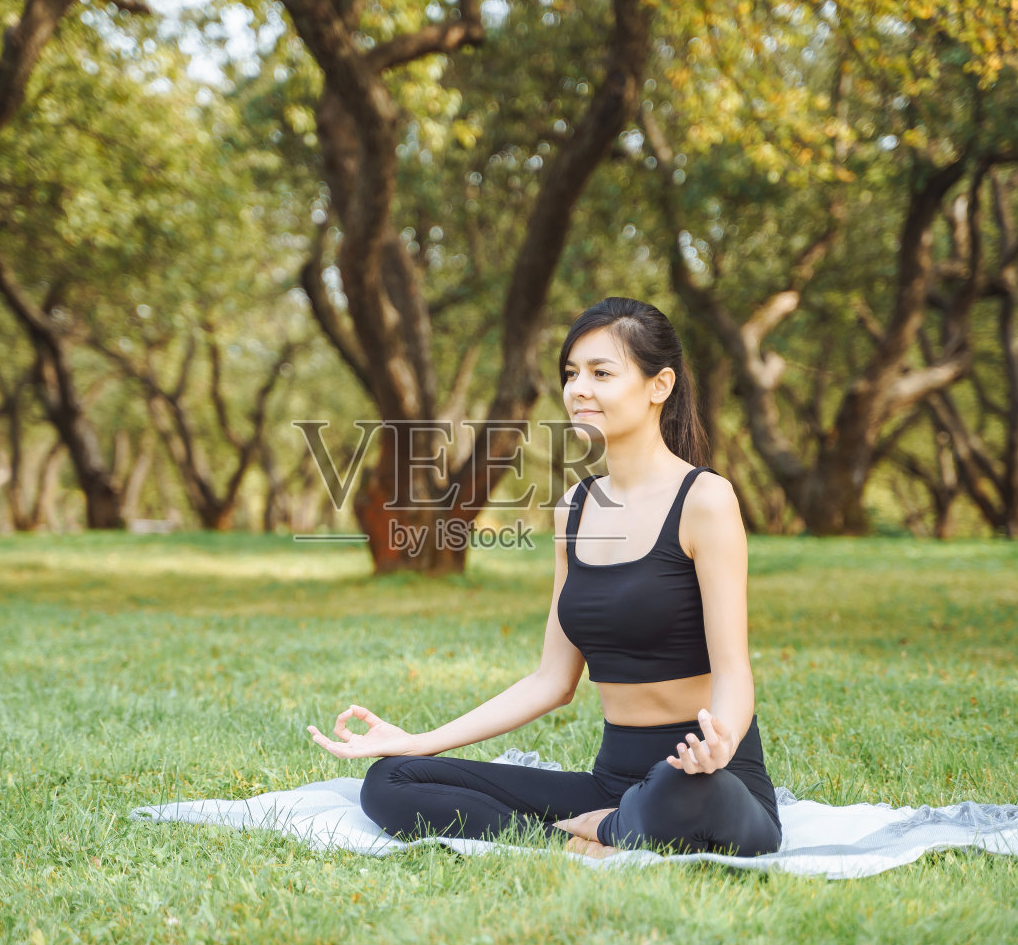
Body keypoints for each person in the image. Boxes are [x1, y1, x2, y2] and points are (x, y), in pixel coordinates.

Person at [306, 297, 782, 859]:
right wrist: (416, 742)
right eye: (571, 373)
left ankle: (609, 826)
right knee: (392, 782)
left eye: (602, 373)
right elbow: (551, 682)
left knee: (682, 792)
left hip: (702, 776)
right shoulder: (573, 510)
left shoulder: (705, 500)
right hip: (612, 780)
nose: (579, 388)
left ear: (660, 385)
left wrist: (719, 743)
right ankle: (582, 833)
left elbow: (733, 670)